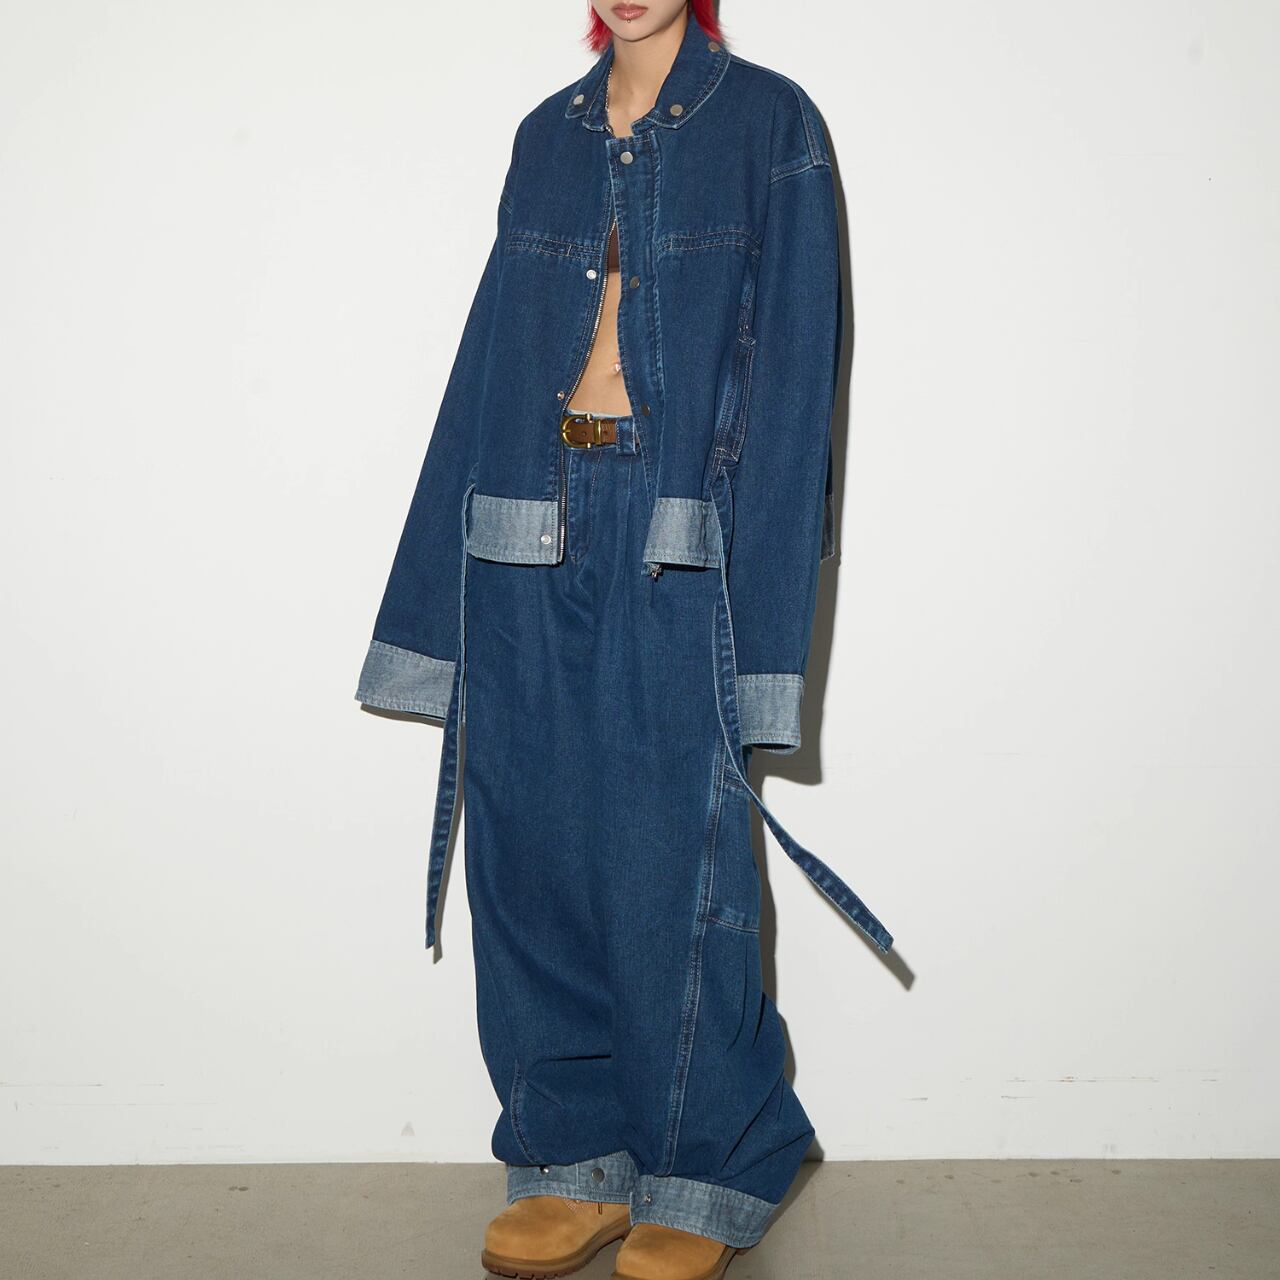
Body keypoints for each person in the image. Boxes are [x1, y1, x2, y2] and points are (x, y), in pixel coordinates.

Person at [354, 3, 895, 1277]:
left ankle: (705, 1163)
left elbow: (795, 382)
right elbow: (489, 357)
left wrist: (763, 624)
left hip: (674, 521)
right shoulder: (543, 136)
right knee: (528, 843)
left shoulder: (770, 124)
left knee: (668, 853)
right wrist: (431, 593)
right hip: (524, 508)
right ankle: (569, 1156)